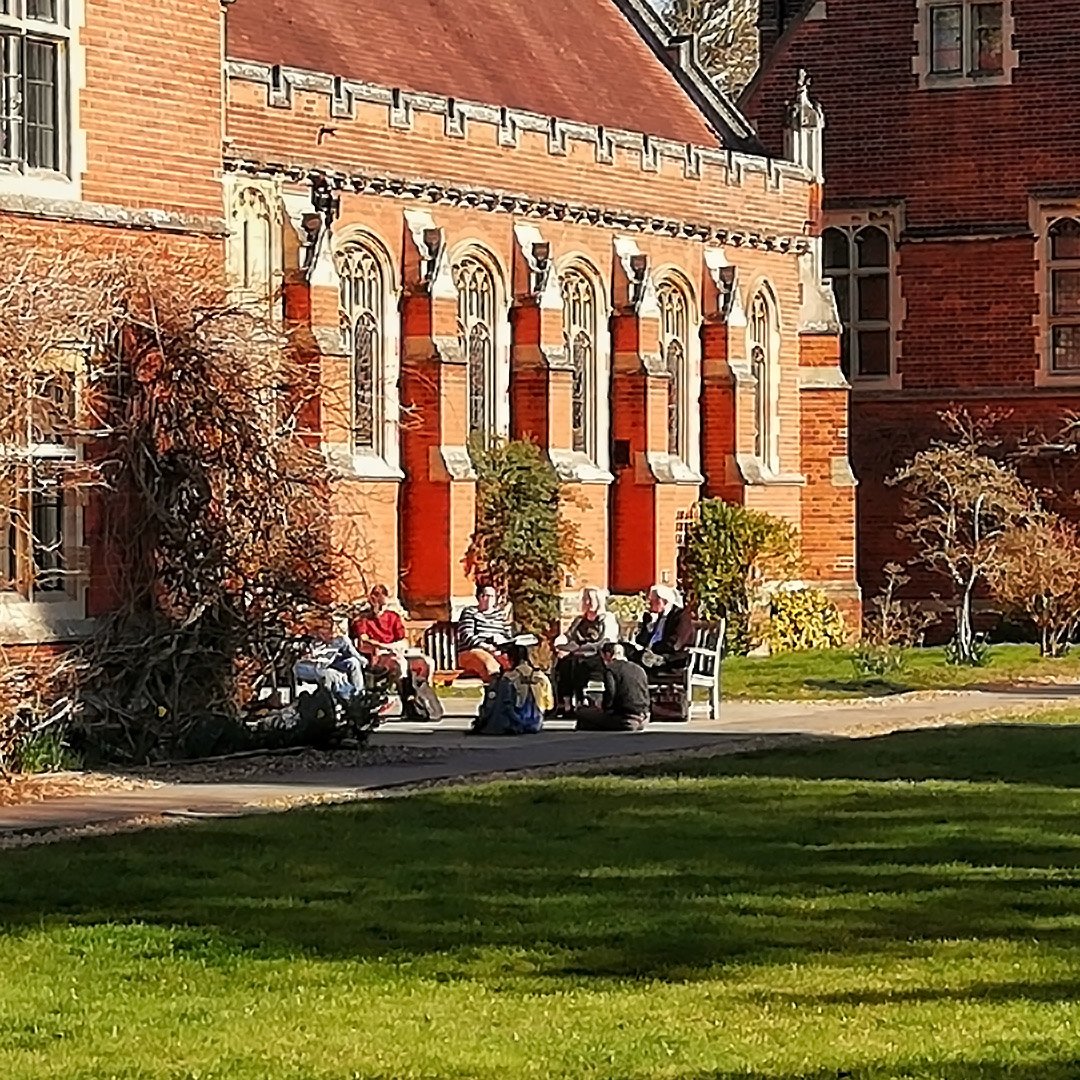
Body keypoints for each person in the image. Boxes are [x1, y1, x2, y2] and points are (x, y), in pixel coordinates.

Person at [553, 586, 619, 713]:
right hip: (576, 653)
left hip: (597, 654)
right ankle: (566, 703)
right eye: (585, 600)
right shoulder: (579, 621)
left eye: (590, 600)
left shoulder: (606, 619)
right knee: (565, 664)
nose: (587, 603)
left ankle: (582, 701)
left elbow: (605, 641)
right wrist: (559, 644)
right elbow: (567, 636)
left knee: (580, 664)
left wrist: (581, 648)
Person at [350, 583, 433, 685]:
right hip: (379, 652)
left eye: (382, 604)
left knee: (428, 662)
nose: (379, 608)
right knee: (399, 663)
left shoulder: (393, 617)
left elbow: (402, 638)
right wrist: (382, 646)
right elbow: (364, 640)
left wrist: (395, 647)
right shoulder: (363, 619)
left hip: (396, 648)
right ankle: (403, 689)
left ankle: (423, 691)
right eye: (376, 603)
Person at [473, 637, 553, 735]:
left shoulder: (509, 677)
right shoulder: (541, 676)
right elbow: (549, 704)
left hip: (515, 721)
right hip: (536, 722)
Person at [575, 642, 651, 732]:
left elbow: (610, 693)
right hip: (643, 717)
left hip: (624, 717)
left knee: (581, 712)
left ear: (607, 655)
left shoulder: (611, 669)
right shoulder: (639, 669)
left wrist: (603, 707)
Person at [294, 616, 368, 703]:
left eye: (331, 628)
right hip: (313, 667)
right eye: (326, 629)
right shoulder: (309, 641)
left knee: (354, 662)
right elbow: (302, 662)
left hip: (331, 663)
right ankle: (347, 697)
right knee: (333, 674)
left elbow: (354, 654)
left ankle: (359, 694)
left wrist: (363, 660)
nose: (332, 632)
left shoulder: (340, 640)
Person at [457, 584, 513, 682]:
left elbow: (508, 635)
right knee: (489, 664)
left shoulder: (500, 615)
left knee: (509, 662)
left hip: (497, 649)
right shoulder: (470, 612)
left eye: (491, 596)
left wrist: (501, 644)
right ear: (478, 597)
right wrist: (486, 646)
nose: (487, 599)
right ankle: (493, 689)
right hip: (473, 650)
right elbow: (466, 636)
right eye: (484, 595)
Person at [632, 584, 694, 672]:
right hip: (652, 654)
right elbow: (641, 641)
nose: (649, 605)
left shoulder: (680, 616)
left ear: (663, 601)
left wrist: (652, 648)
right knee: (625, 651)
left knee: (640, 662)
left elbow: (675, 644)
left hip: (670, 658)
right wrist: (648, 626)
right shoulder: (656, 616)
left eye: (652, 602)